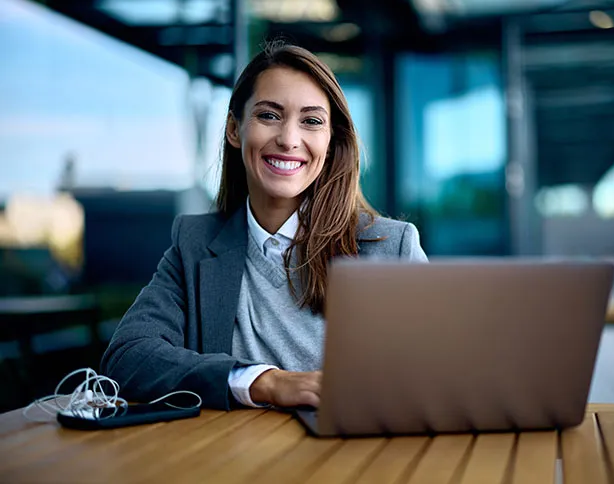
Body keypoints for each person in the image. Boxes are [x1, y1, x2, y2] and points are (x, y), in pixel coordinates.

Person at [101, 43, 427, 411]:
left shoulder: (390, 248)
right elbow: (129, 357)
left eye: (312, 121)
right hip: (235, 461)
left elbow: (437, 375)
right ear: (234, 130)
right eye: (269, 115)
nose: (289, 139)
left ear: (331, 141)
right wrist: (264, 382)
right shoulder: (195, 245)